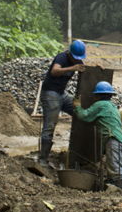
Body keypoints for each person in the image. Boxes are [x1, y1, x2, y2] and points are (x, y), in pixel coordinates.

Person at [37, 40, 87, 168]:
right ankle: (42, 159)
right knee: (50, 125)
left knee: (80, 111)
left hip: (61, 93)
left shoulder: (77, 61)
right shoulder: (62, 57)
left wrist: (98, 68)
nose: (77, 61)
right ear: (70, 52)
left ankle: (79, 152)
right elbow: (54, 71)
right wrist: (71, 68)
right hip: (50, 93)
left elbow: (84, 69)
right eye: (75, 58)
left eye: (78, 59)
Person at [75, 81, 122, 189]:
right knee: (112, 168)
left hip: (113, 139)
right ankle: (113, 189)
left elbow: (84, 116)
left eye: (95, 96)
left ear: (98, 95)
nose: (94, 98)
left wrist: (77, 107)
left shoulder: (100, 105)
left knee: (115, 168)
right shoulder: (112, 106)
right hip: (120, 140)